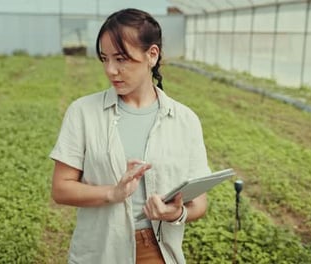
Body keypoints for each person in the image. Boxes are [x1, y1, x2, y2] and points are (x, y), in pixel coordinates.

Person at [50, 8, 210, 264]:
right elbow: (61, 189)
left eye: (121, 59)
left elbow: (199, 203)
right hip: (100, 251)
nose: (111, 70)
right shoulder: (83, 113)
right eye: (105, 59)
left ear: (152, 55)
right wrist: (113, 193)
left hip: (155, 251)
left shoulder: (185, 120)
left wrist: (176, 212)